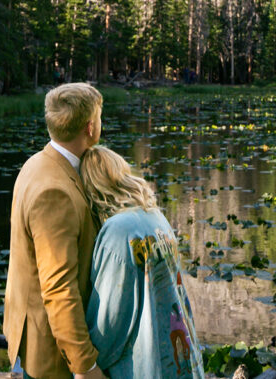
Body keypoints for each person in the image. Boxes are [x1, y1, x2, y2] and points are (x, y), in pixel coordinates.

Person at [4, 83, 107, 379]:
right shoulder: (54, 192)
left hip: (35, 335)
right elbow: (60, 290)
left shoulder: (37, 163)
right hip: (52, 355)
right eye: (99, 118)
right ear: (90, 127)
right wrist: (85, 367)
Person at [79, 145, 205, 379]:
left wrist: (82, 363)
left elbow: (110, 325)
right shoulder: (155, 215)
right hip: (180, 363)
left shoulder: (117, 231)